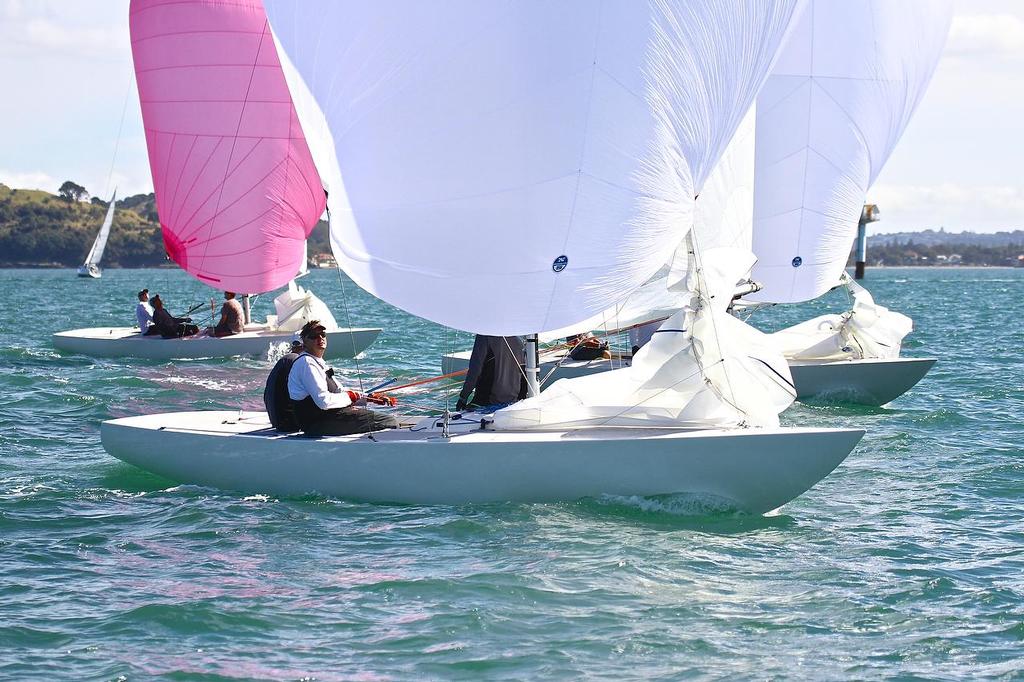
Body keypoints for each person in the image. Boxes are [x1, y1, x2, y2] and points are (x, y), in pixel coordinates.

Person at [287, 320, 399, 436]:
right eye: (314, 336)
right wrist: (350, 397)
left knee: (386, 420)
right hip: (318, 424)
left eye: (323, 335)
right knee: (390, 421)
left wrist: (370, 398)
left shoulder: (317, 362)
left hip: (329, 418)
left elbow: (339, 392)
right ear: (305, 342)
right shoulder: (306, 363)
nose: (320, 338)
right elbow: (323, 401)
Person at [456, 335, 526, 412]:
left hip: (487, 403)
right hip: (513, 403)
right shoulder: (519, 339)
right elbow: (524, 374)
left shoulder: (483, 336)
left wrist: (463, 397)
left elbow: (475, 371)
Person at [263, 334, 304, 432]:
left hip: (276, 419)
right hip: (288, 423)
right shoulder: (297, 361)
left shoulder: (287, 359)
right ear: (304, 345)